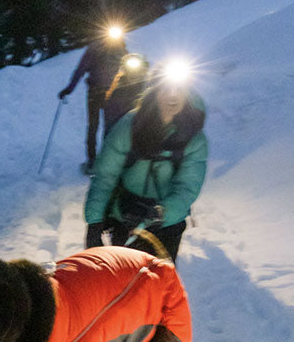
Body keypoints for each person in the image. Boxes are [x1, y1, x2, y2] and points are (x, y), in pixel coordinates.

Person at [83, 75, 207, 264]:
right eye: (166, 89)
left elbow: (187, 186)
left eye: (179, 90)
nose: (173, 96)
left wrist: (162, 213)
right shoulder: (129, 126)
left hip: (167, 225)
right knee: (124, 282)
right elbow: (105, 175)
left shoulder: (194, 138)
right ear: (155, 92)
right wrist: (94, 222)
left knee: (159, 286)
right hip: (125, 216)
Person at [58, 26, 128, 174]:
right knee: (107, 127)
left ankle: (93, 162)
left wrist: (69, 89)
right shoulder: (120, 49)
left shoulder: (96, 48)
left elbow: (81, 69)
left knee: (95, 126)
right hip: (110, 94)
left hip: (97, 93)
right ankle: (103, 161)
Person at [101, 52, 150, 145]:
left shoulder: (145, 86)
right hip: (115, 120)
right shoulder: (118, 84)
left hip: (134, 123)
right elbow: (110, 105)